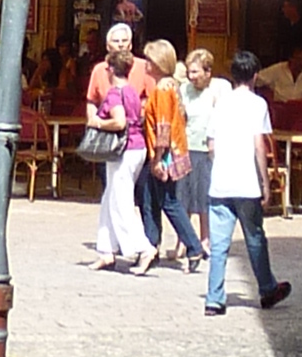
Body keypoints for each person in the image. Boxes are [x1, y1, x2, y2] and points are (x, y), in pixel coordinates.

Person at [202, 50, 291, 316]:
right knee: (254, 238)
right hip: (246, 183)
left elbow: (211, 145)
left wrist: (221, 166)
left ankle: (214, 298)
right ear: (254, 76)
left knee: (219, 245)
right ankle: (266, 287)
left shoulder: (221, 103)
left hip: (220, 183)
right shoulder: (257, 104)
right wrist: (265, 181)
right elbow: (259, 146)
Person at [85, 23, 150, 272]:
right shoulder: (130, 92)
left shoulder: (114, 94)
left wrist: (99, 122)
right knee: (109, 197)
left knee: (121, 201)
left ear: (111, 69)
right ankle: (106, 249)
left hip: (124, 148)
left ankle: (142, 247)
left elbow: (120, 121)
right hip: (135, 147)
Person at [139, 40, 201, 266]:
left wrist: (157, 158)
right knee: (149, 199)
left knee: (168, 201)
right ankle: (151, 245)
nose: (146, 63)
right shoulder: (170, 86)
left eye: (149, 60)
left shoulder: (163, 90)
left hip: (164, 154)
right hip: (165, 151)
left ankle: (193, 246)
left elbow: (163, 126)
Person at [182, 46, 219, 259]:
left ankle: (205, 239)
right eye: (189, 71)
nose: (191, 76)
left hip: (206, 149)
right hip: (186, 146)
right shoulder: (183, 90)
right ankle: (184, 240)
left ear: (207, 72)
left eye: (196, 71)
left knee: (204, 197)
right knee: (183, 196)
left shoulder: (216, 91)